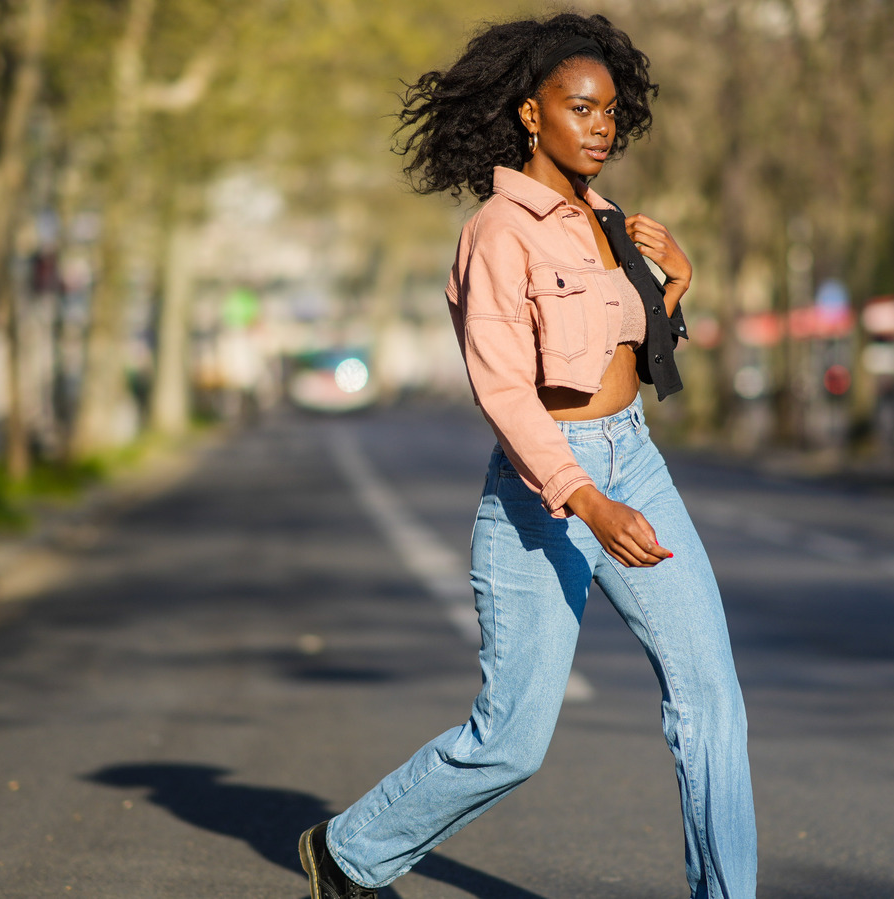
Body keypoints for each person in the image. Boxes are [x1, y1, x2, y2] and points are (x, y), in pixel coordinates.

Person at [299, 13, 756, 899]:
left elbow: (632, 351)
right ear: (530, 115)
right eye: (579, 107)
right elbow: (507, 394)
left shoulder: (612, 219)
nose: (600, 125)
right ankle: (348, 852)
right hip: (542, 489)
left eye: (611, 110)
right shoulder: (497, 235)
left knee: (712, 696)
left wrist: (676, 287)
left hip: (636, 462)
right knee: (513, 736)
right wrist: (587, 500)